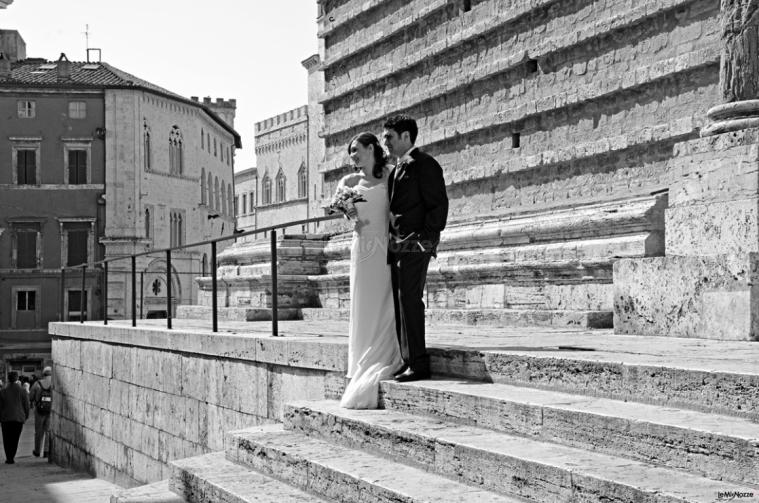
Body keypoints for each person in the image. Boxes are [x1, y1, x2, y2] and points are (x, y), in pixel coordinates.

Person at [339, 132, 403, 409]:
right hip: (362, 245)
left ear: (371, 148)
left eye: (356, 150)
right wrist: (348, 213)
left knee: (384, 296)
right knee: (362, 302)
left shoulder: (391, 173)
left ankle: (388, 348)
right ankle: (360, 360)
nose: (352, 156)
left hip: (384, 245)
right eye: (350, 152)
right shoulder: (348, 181)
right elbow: (347, 213)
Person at [383, 115, 448, 382]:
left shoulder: (425, 165)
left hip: (416, 244)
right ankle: (408, 359)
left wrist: (425, 241)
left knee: (410, 300)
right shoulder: (397, 168)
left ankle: (418, 363)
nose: (385, 142)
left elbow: (438, 206)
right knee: (400, 302)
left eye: (389, 136)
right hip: (398, 245)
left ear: (406, 136)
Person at [0, 371, 30, 464]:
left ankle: (9, 457)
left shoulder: (3, 391)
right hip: (18, 418)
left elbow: (0, 406)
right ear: (17, 379)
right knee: (15, 438)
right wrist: (25, 416)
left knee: (6, 438)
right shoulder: (22, 391)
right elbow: (26, 406)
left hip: (6, 418)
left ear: (8, 379)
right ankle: (12, 456)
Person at [30, 366, 52, 457]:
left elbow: (31, 397)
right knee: (48, 431)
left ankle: (37, 451)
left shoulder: (37, 383)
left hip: (39, 410)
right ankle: (46, 451)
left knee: (38, 431)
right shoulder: (54, 383)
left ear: (43, 374)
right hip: (50, 410)